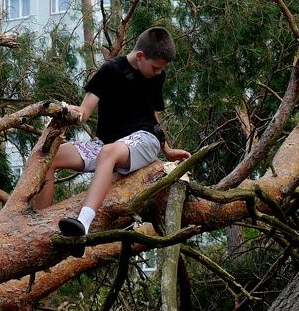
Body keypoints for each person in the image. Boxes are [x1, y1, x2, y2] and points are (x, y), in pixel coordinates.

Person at [34, 26, 191, 238]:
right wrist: (66, 111)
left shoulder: (155, 77)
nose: (158, 73)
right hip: (107, 143)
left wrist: (168, 150)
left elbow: (153, 116)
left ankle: (83, 223)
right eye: (155, 67)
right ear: (140, 56)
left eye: (160, 69)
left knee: (108, 152)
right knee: (50, 157)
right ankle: (39, 228)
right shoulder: (110, 70)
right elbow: (84, 111)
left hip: (144, 139)